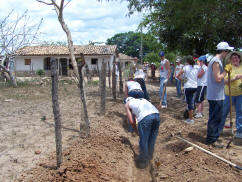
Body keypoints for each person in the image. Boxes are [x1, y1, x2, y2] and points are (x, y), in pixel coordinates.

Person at [206, 41, 233, 148]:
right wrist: (226, 71)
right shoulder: (216, 61)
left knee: (216, 117)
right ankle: (212, 140)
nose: (228, 54)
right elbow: (218, 78)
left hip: (216, 94)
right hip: (215, 95)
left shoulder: (217, 61)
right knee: (215, 118)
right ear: (224, 51)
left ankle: (213, 137)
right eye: (228, 52)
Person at [124, 97, 160, 169]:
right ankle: (150, 156)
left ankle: (143, 161)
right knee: (151, 139)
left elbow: (131, 122)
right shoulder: (142, 100)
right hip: (156, 115)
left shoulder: (127, 104)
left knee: (143, 141)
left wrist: (137, 132)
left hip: (145, 118)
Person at [221, 51, 242, 140]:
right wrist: (234, 78)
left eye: (236, 57)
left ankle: (239, 131)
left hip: (240, 94)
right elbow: (224, 81)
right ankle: (219, 129)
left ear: (239, 59)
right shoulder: (228, 67)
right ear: (230, 59)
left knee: (240, 112)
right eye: (233, 58)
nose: (235, 59)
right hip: (228, 94)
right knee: (224, 112)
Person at [177, 55, 199, 124]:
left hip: (188, 87)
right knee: (193, 101)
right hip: (195, 86)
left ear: (187, 61)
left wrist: (183, 80)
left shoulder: (185, 67)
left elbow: (177, 75)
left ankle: (190, 119)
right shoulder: (197, 67)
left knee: (189, 103)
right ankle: (192, 114)